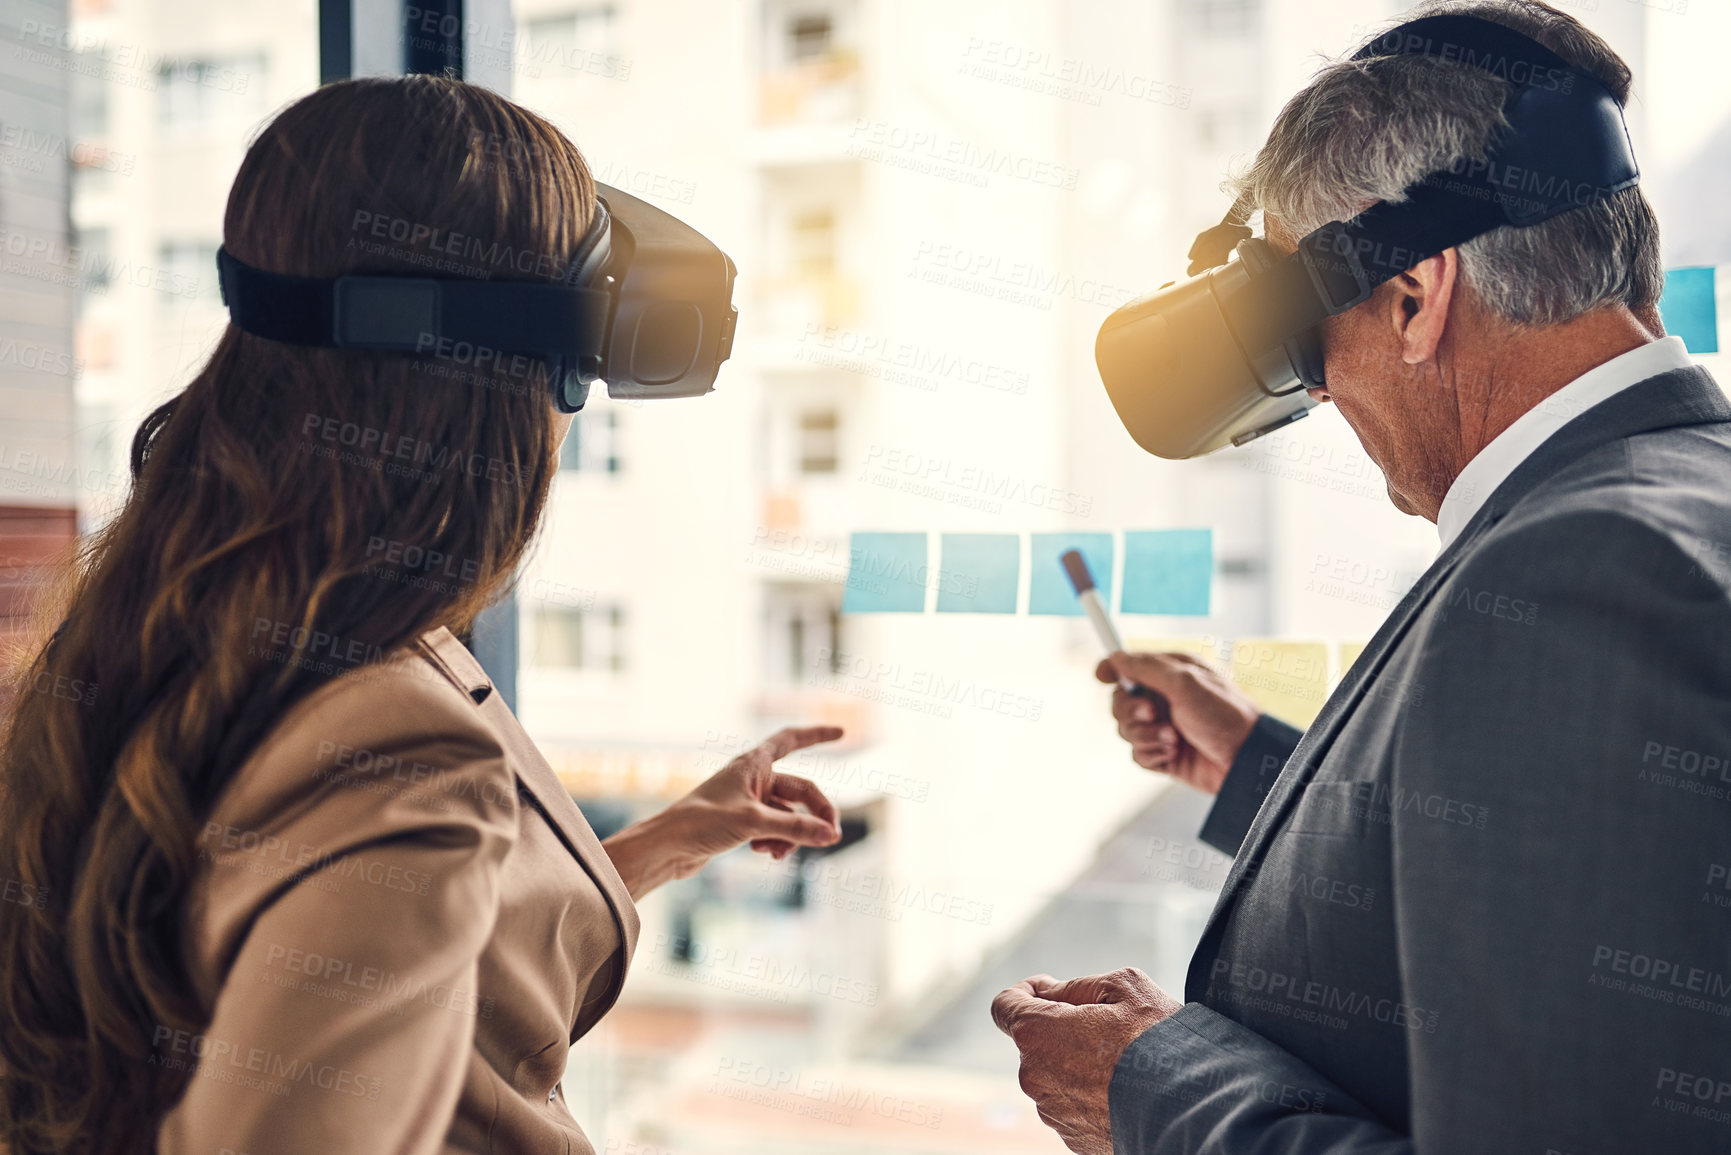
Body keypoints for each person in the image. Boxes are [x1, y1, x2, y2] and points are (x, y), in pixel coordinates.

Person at [0, 77, 844, 1155]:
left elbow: (406, 939)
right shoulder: (399, 739)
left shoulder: (175, 613)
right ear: (501, 386)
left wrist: (673, 840)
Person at [992, 2, 1731, 1152]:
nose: (1324, 395)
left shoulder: (1578, 574)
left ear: (1416, 296)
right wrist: (1261, 770)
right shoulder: (1677, 495)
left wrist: (1153, 1088)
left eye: (1304, 337)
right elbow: (1569, 866)